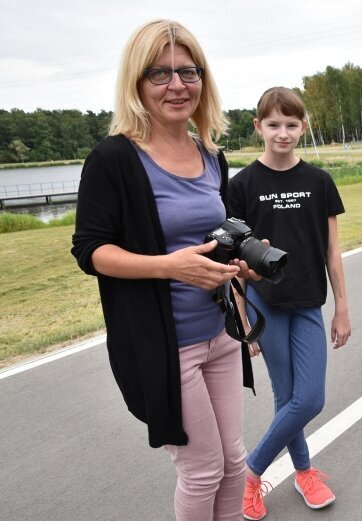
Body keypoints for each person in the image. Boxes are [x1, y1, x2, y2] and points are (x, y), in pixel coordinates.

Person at [71, 20, 258, 521]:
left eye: (187, 72)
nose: (177, 86)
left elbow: (219, 238)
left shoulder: (211, 156)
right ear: (136, 82)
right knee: (201, 470)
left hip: (220, 334)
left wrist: (241, 277)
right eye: (159, 74)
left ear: (203, 79)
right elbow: (89, 250)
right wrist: (167, 266)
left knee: (235, 464)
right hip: (165, 344)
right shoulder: (113, 159)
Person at [227, 87, 352, 520]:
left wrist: (342, 307)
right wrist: (243, 323)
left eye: (292, 124)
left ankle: (251, 470)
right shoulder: (241, 185)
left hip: (307, 303)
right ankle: (304, 472)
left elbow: (332, 251)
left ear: (303, 127)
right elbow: (234, 260)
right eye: (274, 124)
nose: (283, 133)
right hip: (264, 306)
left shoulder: (319, 181)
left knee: (310, 398)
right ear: (258, 126)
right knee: (288, 399)